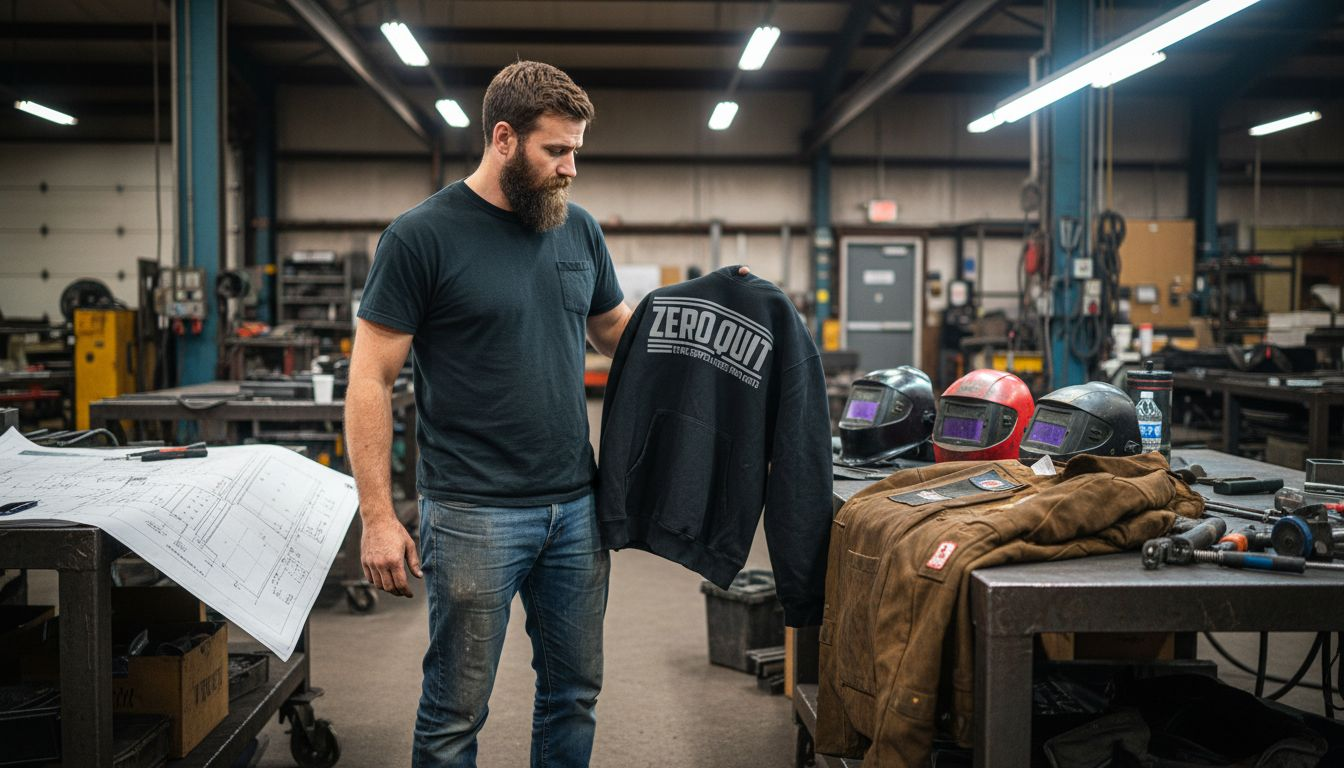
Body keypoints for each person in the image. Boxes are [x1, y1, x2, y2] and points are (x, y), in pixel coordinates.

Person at [344, 61, 627, 768]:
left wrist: (714, 317)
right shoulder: (421, 236)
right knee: (454, 712)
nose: (570, 168)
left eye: (576, 152)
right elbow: (370, 379)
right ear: (504, 138)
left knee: (573, 694)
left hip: (574, 508)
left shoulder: (578, 231)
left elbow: (618, 331)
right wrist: (378, 517)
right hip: (473, 511)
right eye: (555, 151)